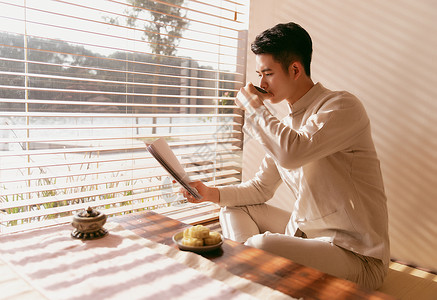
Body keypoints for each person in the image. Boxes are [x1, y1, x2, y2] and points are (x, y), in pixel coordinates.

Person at [181, 22, 390, 290]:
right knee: (233, 207)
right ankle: (249, 270)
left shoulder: (341, 106)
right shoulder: (286, 128)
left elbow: (291, 153)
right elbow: (260, 187)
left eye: (268, 73)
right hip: (308, 236)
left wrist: (255, 108)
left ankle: (245, 271)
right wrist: (209, 192)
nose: (261, 83)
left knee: (260, 244)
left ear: (295, 69)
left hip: (357, 255)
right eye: (259, 74)